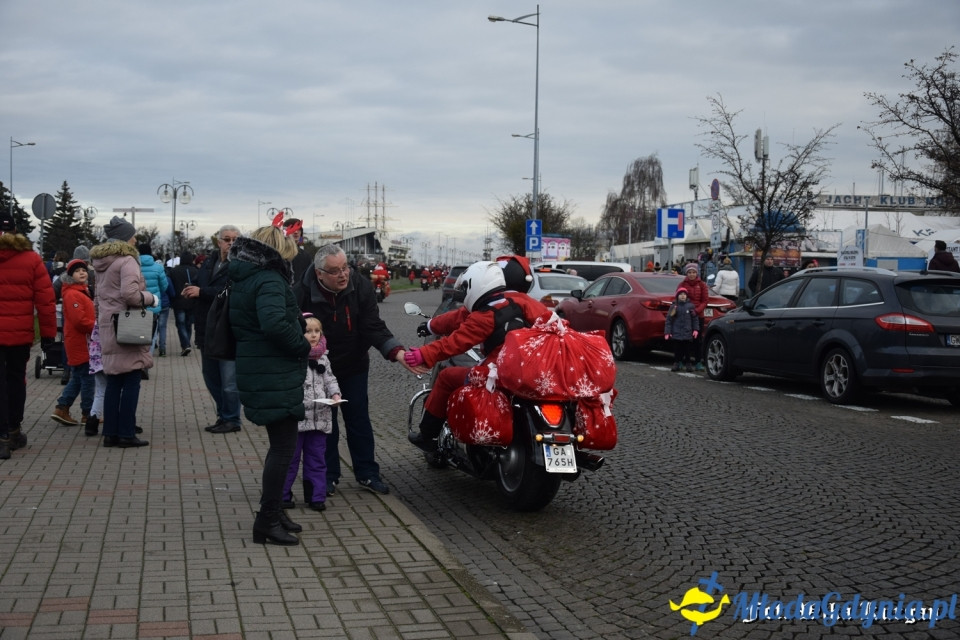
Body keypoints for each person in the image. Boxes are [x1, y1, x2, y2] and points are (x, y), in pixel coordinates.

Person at [297, 244, 418, 496]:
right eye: (335, 271)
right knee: (325, 422)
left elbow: (372, 325)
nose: (343, 275)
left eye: (345, 268)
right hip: (318, 368)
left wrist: (396, 351)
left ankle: (367, 473)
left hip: (353, 364)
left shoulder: (361, 286)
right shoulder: (301, 292)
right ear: (319, 273)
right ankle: (327, 476)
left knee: (359, 418)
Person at [404, 261, 552, 452]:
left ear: (476, 285)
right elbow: (554, 324)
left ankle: (428, 435)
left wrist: (423, 353)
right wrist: (432, 326)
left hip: (501, 373)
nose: (464, 293)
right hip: (537, 370)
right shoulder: (524, 302)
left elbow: (454, 342)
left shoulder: (485, 315)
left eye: (466, 288)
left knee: (446, 377)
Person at [229, 226, 311, 545]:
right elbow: (274, 323)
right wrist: (302, 345)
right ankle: (267, 520)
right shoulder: (269, 279)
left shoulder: (247, 275)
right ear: (278, 249)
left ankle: (274, 510)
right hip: (272, 369)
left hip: (260, 366)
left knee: (280, 446)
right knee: (283, 448)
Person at [89, 216, 157, 448]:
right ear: (126, 238)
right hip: (128, 325)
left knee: (114, 381)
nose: (136, 239)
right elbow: (130, 295)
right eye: (133, 235)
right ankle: (126, 433)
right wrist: (151, 297)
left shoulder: (101, 262)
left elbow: (97, 298)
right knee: (132, 379)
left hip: (108, 324)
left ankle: (110, 433)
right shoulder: (127, 260)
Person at [0, 210, 57, 459]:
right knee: (15, 380)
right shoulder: (31, 260)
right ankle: (13, 430)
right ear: (15, 231)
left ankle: (2, 436)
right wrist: (47, 335)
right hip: (19, 336)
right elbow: (45, 301)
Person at [182, 225, 243, 434]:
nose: (231, 243)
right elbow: (201, 284)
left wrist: (202, 292)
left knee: (228, 380)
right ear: (219, 242)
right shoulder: (210, 261)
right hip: (206, 326)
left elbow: (230, 291)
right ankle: (223, 415)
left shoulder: (240, 264)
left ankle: (232, 419)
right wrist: (190, 289)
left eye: (235, 239)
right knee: (211, 377)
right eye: (227, 239)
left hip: (227, 328)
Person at [283, 314, 341, 512]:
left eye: (317, 331)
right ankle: (283, 495)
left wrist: (335, 394)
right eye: (308, 331)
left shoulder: (323, 356)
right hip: (298, 419)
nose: (313, 335)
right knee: (290, 459)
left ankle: (315, 496)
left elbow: (330, 379)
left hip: (320, 418)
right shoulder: (292, 356)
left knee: (316, 459)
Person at [50, 259, 96, 427]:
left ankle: (62, 407)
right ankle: (88, 413)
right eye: (77, 271)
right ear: (70, 276)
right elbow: (80, 321)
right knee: (87, 378)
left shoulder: (83, 291)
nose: (82, 273)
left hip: (83, 341)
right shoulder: (72, 294)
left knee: (78, 376)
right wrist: (96, 328)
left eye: (83, 270)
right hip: (80, 342)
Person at [138, 242, 168, 364]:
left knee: (138, 335)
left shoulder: (133, 266)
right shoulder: (158, 268)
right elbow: (164, 286)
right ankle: (147, 361)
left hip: (137, 304)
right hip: (153, 305)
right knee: (152, 335)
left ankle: (138, 361)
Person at [677, 263, 710, 371]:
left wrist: (697, 310)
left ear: (697, 273)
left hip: (697, 316)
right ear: (686, 273)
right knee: (682, 340)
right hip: (684, 315)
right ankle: (681, 361)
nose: (692, 274)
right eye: (690, 272)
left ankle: (698, 362)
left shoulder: (702, 285)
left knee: (697, 340)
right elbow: (678, 298)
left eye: (694, 272)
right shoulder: (682, 284)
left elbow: (705, 301)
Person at [168, 250, 198, 356]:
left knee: (180, 324)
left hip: (178, 301)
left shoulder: (174, 271)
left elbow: (170, 285)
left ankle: (185, 345)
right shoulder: (195, 270)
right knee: (188, 324)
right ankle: (187, 343)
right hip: (192, 301)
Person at [664, 288, 700, 372]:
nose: (682, 296)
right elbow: (669, 319)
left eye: (684, 294)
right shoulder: (674, 306)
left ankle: (688, 363)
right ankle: (676, 363)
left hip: (687, 332)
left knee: (687, 350)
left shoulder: (690, 306)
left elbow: (695, 319)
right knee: (677, 349)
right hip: (676, 332)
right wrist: (667, 332)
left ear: (686, 296)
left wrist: (695, 329)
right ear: (677, 296)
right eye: (680, 294)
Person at [282, 218, 314, 299]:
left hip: (301, 297)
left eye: (299, 230)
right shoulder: (280, 253)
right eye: (293, 229)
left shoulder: (305, 255)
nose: (296, 232)